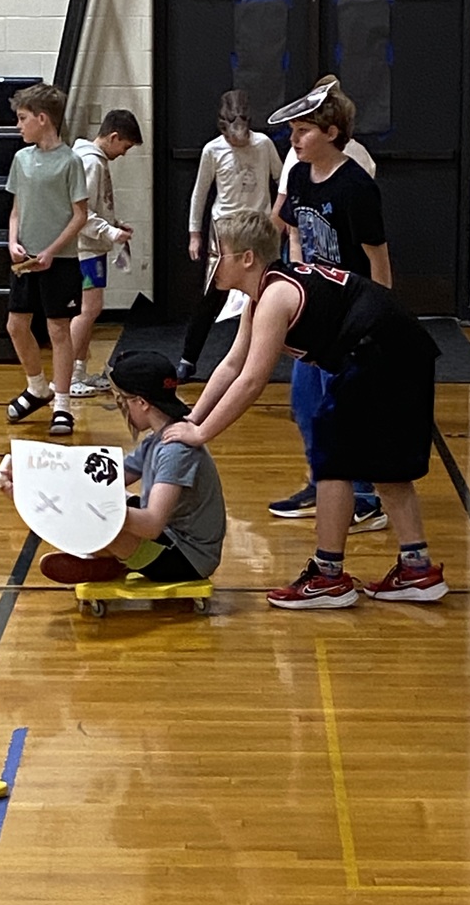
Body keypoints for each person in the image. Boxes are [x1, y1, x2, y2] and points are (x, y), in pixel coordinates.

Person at [162, 209, 448, 610]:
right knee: (382, 465)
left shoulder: (275, 297)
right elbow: (231, 365)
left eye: (218, 252)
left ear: (247, 258)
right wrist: (193, 417)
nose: (212, 260)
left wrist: (201, 433)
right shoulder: (262, 297)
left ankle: (329, 577)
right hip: (398, 348)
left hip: (382, 350)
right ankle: (416, 568)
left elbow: (252, 380)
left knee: (332, 457)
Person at [266, 76, 393, 534]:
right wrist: (298, 280)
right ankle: (322, 482)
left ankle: (363, 498)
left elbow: (378, 259)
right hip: (315, 312)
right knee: (306, 403)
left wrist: (376, 321)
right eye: (293, 131)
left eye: (303, 131)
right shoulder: (300, 176)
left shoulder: (356, 186)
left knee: (346, 409)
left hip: (351, 314)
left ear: (332, 133)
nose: (294, 140)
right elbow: (295, 231)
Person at [34, 350, 226, 585]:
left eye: (123, 399)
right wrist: (45, 481)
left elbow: (152, 524)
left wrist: (93, 510)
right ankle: (110, 561)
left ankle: (111, 559)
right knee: (99, 503)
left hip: (189, 558)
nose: (121, 407)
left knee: (100, 519)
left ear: (142, 403)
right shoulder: (157, 438)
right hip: (169, 535)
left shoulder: (176, 451)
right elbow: (108, 480)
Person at [175, 89, 283, 383]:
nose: (239, 141)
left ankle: (258, 359)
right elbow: (200, 193)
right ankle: (188, 358)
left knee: (264, 292)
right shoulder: (213, 150)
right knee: (212, 294)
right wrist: (194, 234)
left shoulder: (263, 145)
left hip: (258, 229)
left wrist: (277, 219)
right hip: (224, 231)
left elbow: (281, 180)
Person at [5, 83, 88, 437]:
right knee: (16, 325)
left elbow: (80, 215)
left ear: (42, 119)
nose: (18, 126)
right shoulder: (21, 160)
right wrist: (12, 241)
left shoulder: (70, 161)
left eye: (22, 118)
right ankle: (37, 387)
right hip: (25, 261)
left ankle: (63, 404)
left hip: (60, 260)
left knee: (58, 330)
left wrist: (52, 250)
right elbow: (16, 210)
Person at [69, 109, 144, 396]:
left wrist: (114, 224)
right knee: (87, 311)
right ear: (113, 137)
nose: (124, 153)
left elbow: (97, 207)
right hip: (85, 249)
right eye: (125, 146)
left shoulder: (94, 160)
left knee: (91, 310)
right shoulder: (90, 162)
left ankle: (79, 371)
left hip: (92, 247)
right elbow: (80, 213)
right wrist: (110, 232)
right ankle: (71, 375)